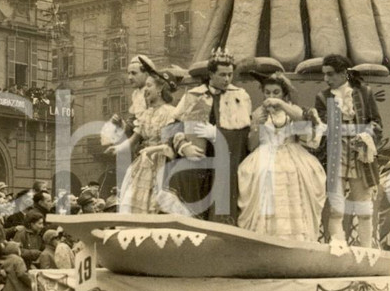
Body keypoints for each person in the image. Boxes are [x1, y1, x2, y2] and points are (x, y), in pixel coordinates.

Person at [237, 72, 326, 241]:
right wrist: (257, 125)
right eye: (267, 92)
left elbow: (302, 125)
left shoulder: (292, 110)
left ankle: (296, 239)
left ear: (284, 94)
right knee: (262, 175)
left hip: (291, 152)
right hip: (265, 152)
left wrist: (281, 104)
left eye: (276, 92)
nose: (271, 96)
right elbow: (251, 145)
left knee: (293, 174)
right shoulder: (259, 113)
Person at [167, 50, 252, 223]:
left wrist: (218, 136)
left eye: (230, 75)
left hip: (226, 159)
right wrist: (184, 146)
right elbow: (171, 127)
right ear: (211, 74)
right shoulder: (193, 95)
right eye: (222, 75)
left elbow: (244, 136)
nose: (227, 79)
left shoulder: (240, 96)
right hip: (198, 159)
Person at [315, 54, 383, 247]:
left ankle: (367, 251)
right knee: (336, 209)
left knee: (364, 209)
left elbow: (377, 123)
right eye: (324, 75)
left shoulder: (364, 94)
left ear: (344, 73)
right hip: (336, 158)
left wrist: (366, 137)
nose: (326, 79)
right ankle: (339, 248)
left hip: (360, 158)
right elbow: (322, 129)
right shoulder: (322, 98)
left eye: (330, 74)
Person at [110, 71, 178, 214]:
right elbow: (134, 139)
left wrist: (150, 150)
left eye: (149, 85)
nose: (145, 90)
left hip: (162, 162)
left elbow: (168, 145)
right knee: (134, 199)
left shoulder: (170, 113)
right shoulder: (146, 114)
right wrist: (117, 148)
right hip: (144, 161)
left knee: (155, 201)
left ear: (159, 89)